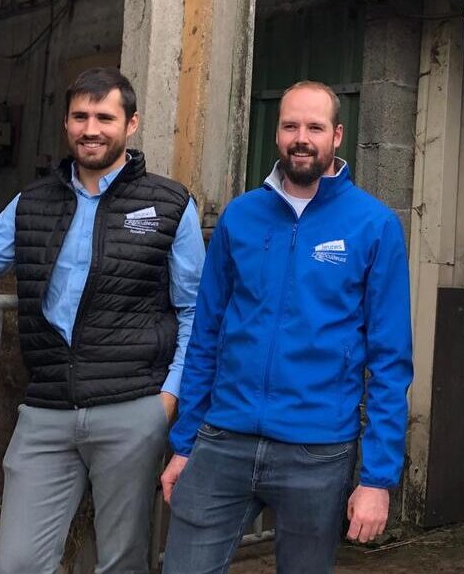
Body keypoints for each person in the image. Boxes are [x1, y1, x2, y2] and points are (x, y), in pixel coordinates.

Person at [0, 67, 204, 574]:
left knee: (119, 561)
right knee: (17, 562)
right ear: (66, 123)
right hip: (48, 408)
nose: (90, 128)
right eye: (80, 116)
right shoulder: (32, 201)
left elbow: (195, 310)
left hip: (133, 406)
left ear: (132, 123)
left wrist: (169, 398)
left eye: (104, 116)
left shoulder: (169, 203)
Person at [161, 81, 413, 574]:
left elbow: (390, 360)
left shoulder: (373, 225)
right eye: (291, 125)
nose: (302, 137)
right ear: (277, 133)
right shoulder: (241, 215)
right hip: (223, 439)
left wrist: (378, 478)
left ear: (337, 135)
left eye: (315, 127)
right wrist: (185, 443)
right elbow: (206, 334)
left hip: (316, 451)